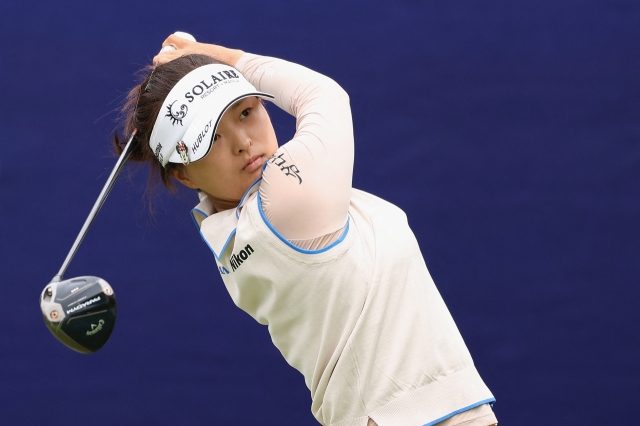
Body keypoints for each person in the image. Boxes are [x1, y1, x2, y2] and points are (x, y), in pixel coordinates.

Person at [113, 33, 498, 426]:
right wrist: (220, 56)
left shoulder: (222, 229)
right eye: (211, 138)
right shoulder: (283, 199)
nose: (244, 143)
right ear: (185, 175)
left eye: (246, 111)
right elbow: (323, 95)